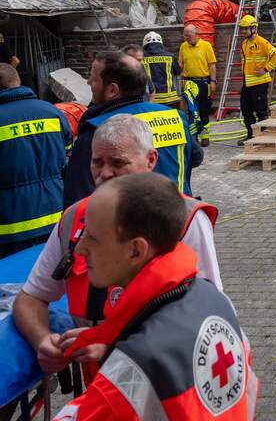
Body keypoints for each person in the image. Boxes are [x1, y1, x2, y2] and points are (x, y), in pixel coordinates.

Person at [14, 116, 220, 390]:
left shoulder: (185, 221)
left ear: (150, 160)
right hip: (99, 391)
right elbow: (30, 298)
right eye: (97, 162)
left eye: (118, 163)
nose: (105, 173)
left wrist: (115, 347)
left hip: (165, 390)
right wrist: (42, 340)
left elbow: (209, 321)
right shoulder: (74, 218)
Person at [50, 172, 254, 420]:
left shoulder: (134, 366)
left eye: (92, 237)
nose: (80, 249)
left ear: (136, 250)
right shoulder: (215, 301)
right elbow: (247, 393)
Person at [64, 51, 201, 205]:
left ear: (112, 90)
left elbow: (77, 199)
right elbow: (196, 157)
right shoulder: (176, 116)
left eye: (93, 79)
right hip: (179, 217)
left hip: (126, 225)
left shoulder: (97, 129)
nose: (88, 82)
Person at [0, 64, 72, 259]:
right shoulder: (52, 112)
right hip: (56, 214)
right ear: (18, 81)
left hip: (10, 225)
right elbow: (68, 156)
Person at [238, 14, 276, 141]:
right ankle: (251, 136)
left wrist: (265, 69)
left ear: (254, 29)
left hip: (259, 83)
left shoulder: (262, 42)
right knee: (246, 111)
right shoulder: (244, 43)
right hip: (247, 84)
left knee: (261, 112)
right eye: (243, 29)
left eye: (246, 28)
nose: (244, 31)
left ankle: (262, 138)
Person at [178, 24, 216, 146]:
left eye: (188, 35)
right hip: (188, 83)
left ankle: (205, 136)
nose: (186, 38)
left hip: (203, 82)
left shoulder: (206, 46)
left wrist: (213, 81)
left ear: (196, 34)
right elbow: (180, 65)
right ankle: (194, 138)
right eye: (185, 35)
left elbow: (212, 65)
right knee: (191, 111)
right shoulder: (183, 47)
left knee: (204, 110)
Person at [141, 31, 181, 106]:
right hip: (171, 98)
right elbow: (178, 72)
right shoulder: (170, 56)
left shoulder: (142, 58)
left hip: (152, 99)